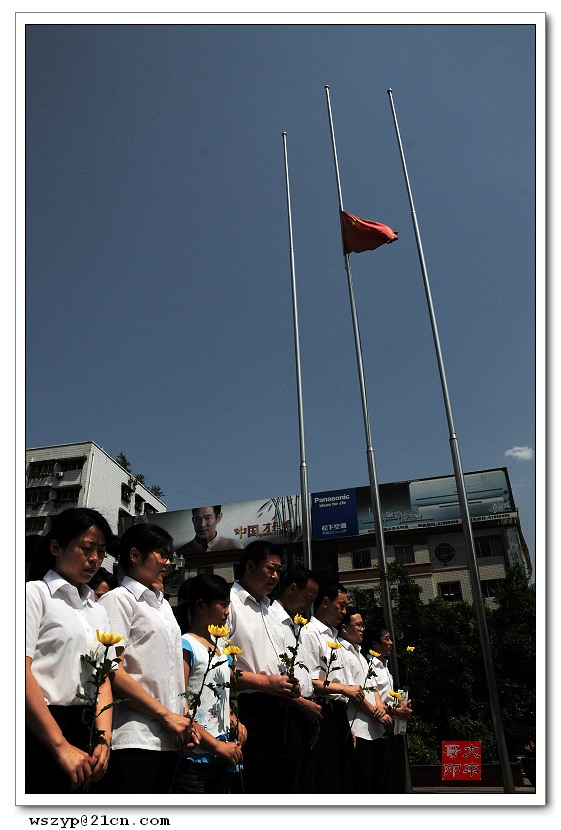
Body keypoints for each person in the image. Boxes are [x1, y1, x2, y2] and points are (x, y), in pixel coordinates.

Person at [98, 523, 198, 794]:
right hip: (134, 736)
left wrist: (183, 716)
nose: (167, 562)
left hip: (170, 735)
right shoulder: (118, 600)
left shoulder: (163, 605)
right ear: (134, 555)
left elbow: (173, 668)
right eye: (161, 554)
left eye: (169, 555)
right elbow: (111, 671)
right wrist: (165, 715)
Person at [25, 507, 115, 793]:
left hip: (87, 727)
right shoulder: (33, 595)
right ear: (56, 547)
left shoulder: (97, 610)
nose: (95, 559)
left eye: (101, 551)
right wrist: (59, 745)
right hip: (39, 728)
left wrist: (104, 738)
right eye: (86, 548)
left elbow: (102, 679)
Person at [227, 540, 301, 793]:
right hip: (246, 709)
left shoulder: (272, 609)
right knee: (254, 783)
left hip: (280, 709)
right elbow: (213, 667)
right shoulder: (228, 603)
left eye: (279, 571)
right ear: (250, 565)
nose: (275, 576)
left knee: (283, 781)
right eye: (271, 568)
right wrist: (265, 682)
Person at [169, 573, 247, 794]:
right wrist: (217, 746)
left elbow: (220, 696)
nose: (227, 612)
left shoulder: (220, 649)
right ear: (201, 606)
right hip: (196, 755)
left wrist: (232, 718)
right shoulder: (187, 645)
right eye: (222, 605)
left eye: (228, 605)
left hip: (223, 753)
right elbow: (180, 705)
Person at [303, 582, 365, 793]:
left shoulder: (334, 638)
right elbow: (309, 681)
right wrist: (344, 689)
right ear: (326, 603)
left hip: (340, 714)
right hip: (323, 711)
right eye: (342, 606)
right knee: (327, 778)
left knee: (344, 777)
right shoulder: (310, 633)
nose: (344, 612)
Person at [267, 565, 323, 792]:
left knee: (304, 781)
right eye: (307, 597)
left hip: (306, 712)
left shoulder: (297, 625)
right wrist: (302, 705)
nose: (309, 604)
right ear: (291, 589)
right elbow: (272, 671)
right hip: (286, 710)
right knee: (288, 782)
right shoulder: (271, 618)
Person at [338, 607, 392, 793]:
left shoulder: (359, 653)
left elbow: (372, 686)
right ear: (344, 628)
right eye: (358, 625)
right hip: (358, 729)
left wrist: (380, 707)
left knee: (377, 783)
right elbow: (354, 693)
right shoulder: (341, 652)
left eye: (363, 625)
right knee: (363, 784)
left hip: (374, 729)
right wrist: (376, 712)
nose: (362, 629)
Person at [362, 621, 413, 793]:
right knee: (384, 783)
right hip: (378, 731)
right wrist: (395, 710)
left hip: (392, 730)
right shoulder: (369, 666)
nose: (391, 643)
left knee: (396, 780)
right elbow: (372, 698)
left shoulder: (385, 666)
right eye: (387, 639)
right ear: (375, 643)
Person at [176, 506, 244, 556]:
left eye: (208, 518)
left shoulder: (233, 547)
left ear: (218, 518)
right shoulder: (180, 553)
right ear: (192, 520)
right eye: (198, 519)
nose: (202, 525)